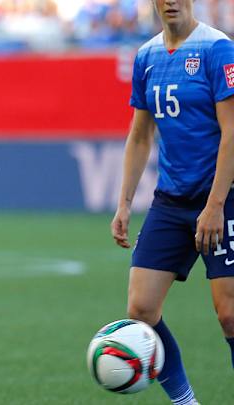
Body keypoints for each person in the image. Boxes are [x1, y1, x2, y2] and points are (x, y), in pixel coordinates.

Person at [111, 1, 234, 404]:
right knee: (141, 310)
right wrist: (125, 203)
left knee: (230, 314)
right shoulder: (146, 56)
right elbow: (140, 135)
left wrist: (215, 204)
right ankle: (186, 402)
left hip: (223, 196)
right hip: (171, 200)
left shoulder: (217, 49)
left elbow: (232, 130)